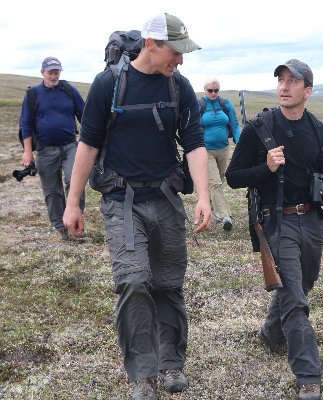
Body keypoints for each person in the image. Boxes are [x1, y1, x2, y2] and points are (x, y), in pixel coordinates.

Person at [63, 13, 212, 400]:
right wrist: (73, 202)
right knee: (133, 282)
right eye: (175, 52)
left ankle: (172, 364)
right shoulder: (108, 85)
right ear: (152, 44)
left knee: (168, 284)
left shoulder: (179, 86)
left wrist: (204, 197)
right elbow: (88, 145)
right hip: (121, 203)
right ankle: (143, 375)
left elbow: (195, 143)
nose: (180, 60)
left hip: (166, 200)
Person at [225, 59, 323, 400]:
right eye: (281, 80)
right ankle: (309, 375)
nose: (284, 86)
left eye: (293, 81)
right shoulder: (259, 127)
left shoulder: (318, 130)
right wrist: (265, 167)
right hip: (275, 220)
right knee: (295, 298)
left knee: (302, 285)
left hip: (310, 220)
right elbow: (233, 177)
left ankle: (270, 332)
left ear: (307, 91)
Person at [19, 56, 85, 240]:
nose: (54, 76)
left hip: (71, 145)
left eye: (57, 72)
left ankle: (76, 221)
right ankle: (61, 227)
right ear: (42, 73)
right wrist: (27, 151)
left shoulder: (68, 90)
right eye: (51, 73)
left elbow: (84, 114)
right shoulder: (33, 95)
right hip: (45, 150)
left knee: (74, 182)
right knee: (52, 190)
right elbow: (25, 123)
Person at [198, 78, 241, 230]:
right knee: (215, 183)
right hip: (206, 150)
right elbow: (193, 127)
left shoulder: (225, 104)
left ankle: (207, 212)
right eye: (210, 90)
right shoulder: (200, 105)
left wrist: (240, 141)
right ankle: (225, 216)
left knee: (219, 181)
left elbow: (234, 124)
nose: (213, 93)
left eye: (216, 90)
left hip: (224, 148)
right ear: (205, 90)